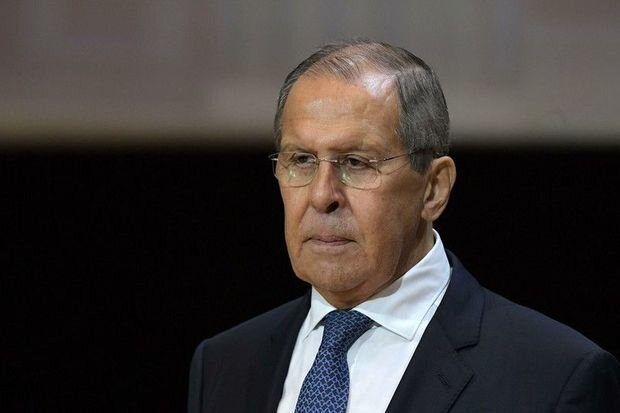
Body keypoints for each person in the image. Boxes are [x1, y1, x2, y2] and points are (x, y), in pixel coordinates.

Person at [188, 39, 620, 412]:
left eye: (356, 162)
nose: (322, 195)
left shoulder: (553, 377)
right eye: (301, 160)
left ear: (434, 189)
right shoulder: (223, 364)